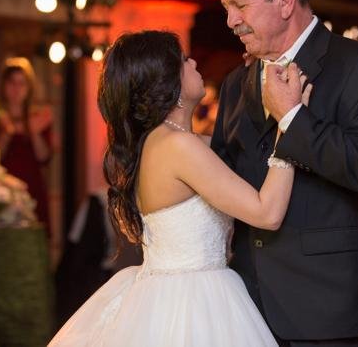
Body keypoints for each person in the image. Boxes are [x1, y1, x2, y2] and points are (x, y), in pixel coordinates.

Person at [48, 30, 312, 346]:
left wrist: (254, 80)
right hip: (192, 300)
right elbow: (266, 213)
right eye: (185, 60)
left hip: (174, 292)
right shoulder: (177, 147)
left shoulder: (175, 142)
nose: (195, 62)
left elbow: (238, 150)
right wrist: (289, 124)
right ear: (167, 80)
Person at [213, 0, 358, 346]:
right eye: (227, 8)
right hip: (244, 308)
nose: (230, 21)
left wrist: (294, 118)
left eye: (239, 6)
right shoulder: (234, 84)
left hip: (324, 310)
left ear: (284, 0)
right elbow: (222, 179)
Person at [0, 57, 53, 232]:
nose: (17, 89)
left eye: (22, 83)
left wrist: (32, 130)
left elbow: (44, 157)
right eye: (12, 82)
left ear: (29, 88)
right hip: (3, 188)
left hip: (31, 186)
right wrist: (7, 133)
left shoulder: (39, 117)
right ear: (4, 85)